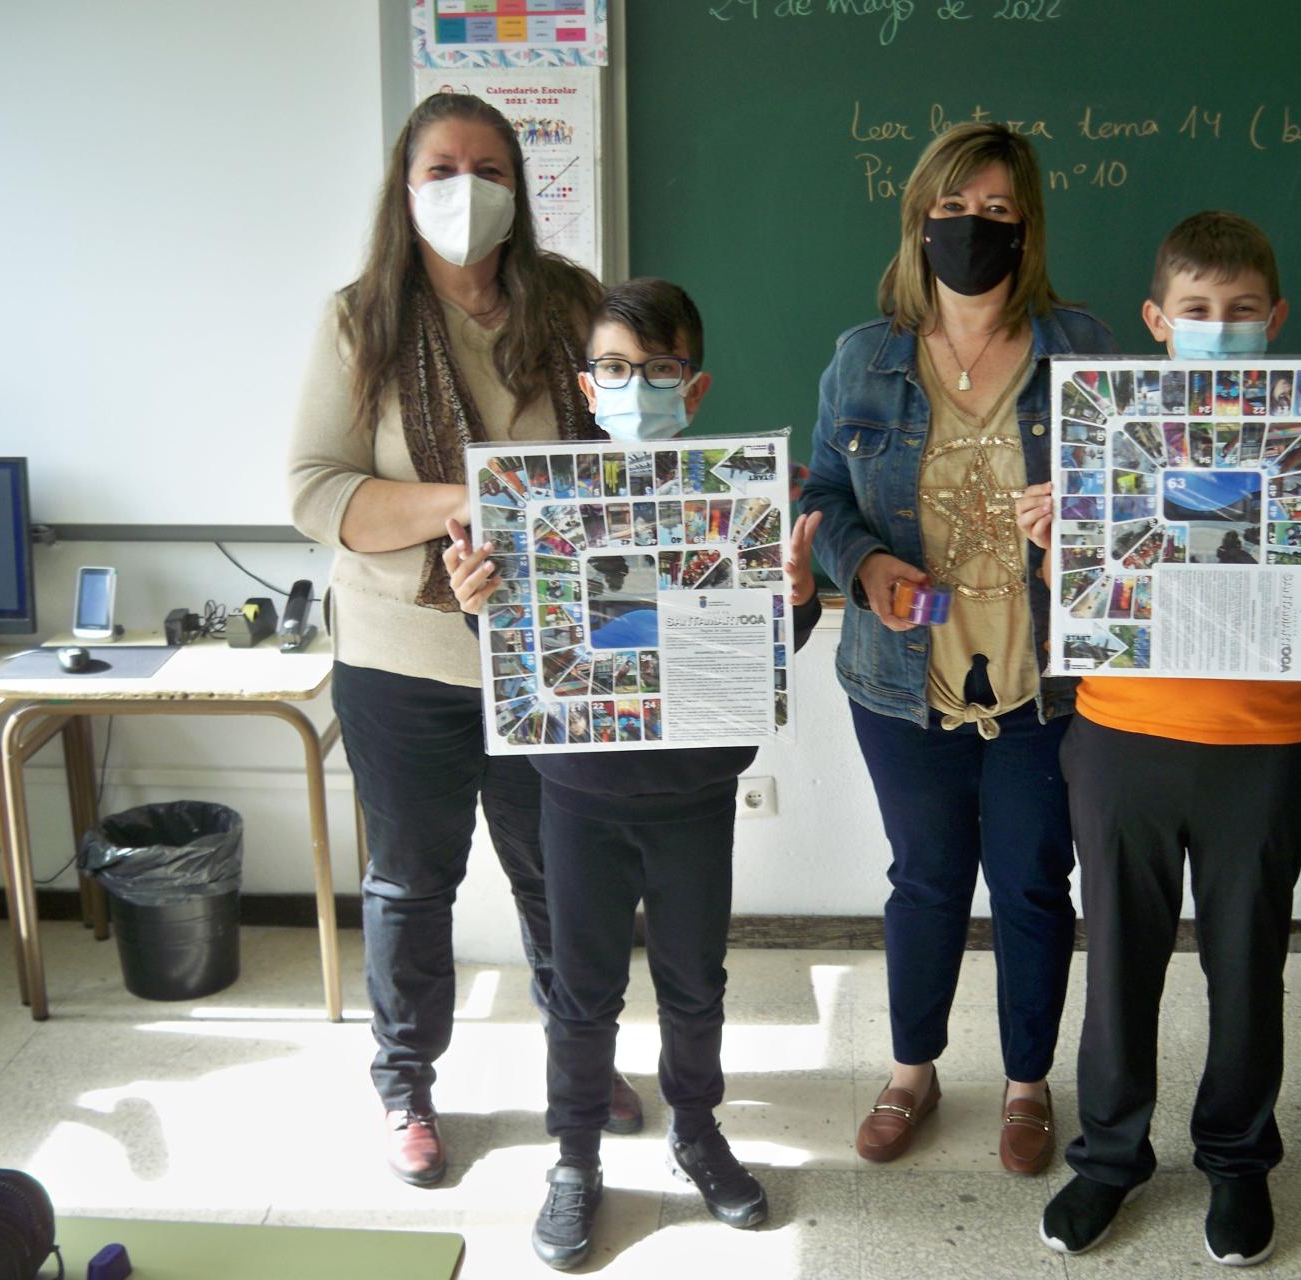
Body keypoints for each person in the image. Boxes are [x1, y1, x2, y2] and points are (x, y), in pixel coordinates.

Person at [1015, 210, 1301, 1265]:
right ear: (1157, 320)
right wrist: (1060, 539)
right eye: (1196, 311)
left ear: (1274, 319)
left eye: (1240, 312)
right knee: (1119, 968)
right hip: (1119, 736)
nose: (1219, 327)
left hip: (1262, 742)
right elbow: (1084, 599)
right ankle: (1108, 1158)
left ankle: (1236, 1160)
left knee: (1246, 966)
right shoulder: (1106, 429)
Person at [286, 92, 641, 1189]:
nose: (466, 188)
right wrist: (469, 505)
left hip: (550, 651)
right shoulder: (361, 319)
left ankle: (581, 1065)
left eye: (490, 168)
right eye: (442, 167)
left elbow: (620, 460)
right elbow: (316, 491)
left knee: (560, 878)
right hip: (405, 659)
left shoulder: (571, 303)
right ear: (405, 184)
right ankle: (408, 1086)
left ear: (518, 189)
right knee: (410, 882)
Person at [444, 278, 825, 1270]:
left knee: (696, 985)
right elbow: (519, 640)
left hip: (694, 795)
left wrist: (792, 600)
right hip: (576, 792)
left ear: (691, 390)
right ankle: (573, 1157)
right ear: (587, 381)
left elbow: (759, 650)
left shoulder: (732, 498)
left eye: (656, 371)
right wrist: (477, 601)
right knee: (581, 990)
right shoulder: (540, 502)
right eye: (615, 369)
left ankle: (696, 1130)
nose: (634, 387)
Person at [800, 123, 1115, 1177]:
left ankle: (1027, 1083)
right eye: (952, 207)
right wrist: (862, 569)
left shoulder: (1083, 348)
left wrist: (1085, 518)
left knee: (1030, 880)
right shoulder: (863, 357)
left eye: (994, 211)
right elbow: (822, 499)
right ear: (917, 218)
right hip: (900, 679)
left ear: (1024, 228)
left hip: (1047, 682)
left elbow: (1140, 498)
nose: (969, 227)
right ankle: (911, 1069)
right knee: (924, 878)